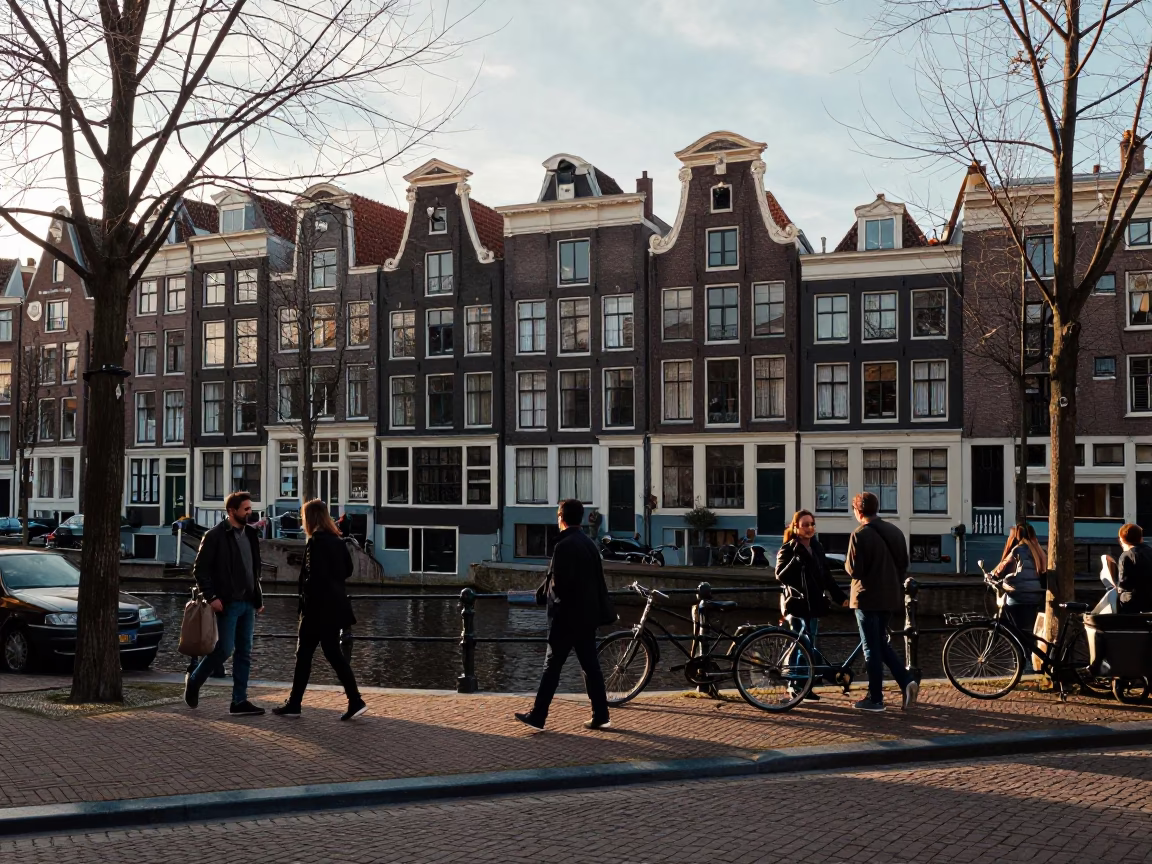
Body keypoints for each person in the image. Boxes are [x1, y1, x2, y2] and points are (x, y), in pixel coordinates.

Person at [516, 499, 613, 732]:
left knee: (552, 668)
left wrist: (547, 600)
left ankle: (538, 715)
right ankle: (601, 714)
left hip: (566, 619)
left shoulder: (563, 545)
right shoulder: (589, 544)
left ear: (561, 518)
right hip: (587, 617)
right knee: (591, 668)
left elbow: (559, 585)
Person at [272, 500, 367, 721]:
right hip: (334, 607)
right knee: (333, 653)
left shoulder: (315, 542)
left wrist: (306, 603)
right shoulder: (337, 541)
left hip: (316, 609)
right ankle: (354, 699)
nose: (302, 521)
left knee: (304, 655)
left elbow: (311, 577)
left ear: (311, 518)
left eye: (304, 517)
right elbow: (348, 570)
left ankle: (295, 704)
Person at [184, 491, 266, 716]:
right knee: (224, 649)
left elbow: (254, 569)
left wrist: (258, 598)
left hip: (248, 602)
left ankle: (239, 700)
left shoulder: (250, 534)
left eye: (250, 508)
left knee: (245, 652)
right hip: (227, 603)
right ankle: (195, 680)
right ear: (232, 511)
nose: (250, 513)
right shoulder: (214, 536)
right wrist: (212, 598)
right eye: (245, 509)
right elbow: (200, 570)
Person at [845, 491, 918, 713]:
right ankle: (907, 681)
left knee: (870, 649)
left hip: (866, 598)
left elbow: (853, 570)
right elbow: (904, 564)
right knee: (880, 644)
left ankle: (875, 698)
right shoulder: (895, 531)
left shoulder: (860, 534)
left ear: (858, 511)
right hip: (890, 598)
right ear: (877, 508)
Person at [774, 509, 849, 700]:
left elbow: (826, 576)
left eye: (812, 524)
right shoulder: (789, 548)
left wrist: (840, 597)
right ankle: (799, 684)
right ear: (796, 527)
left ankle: (802, 685)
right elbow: (780, 575)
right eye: (805, 524)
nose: (809, 528)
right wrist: (797, 559)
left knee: (808, 643)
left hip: (814, 603)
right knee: (802, 644)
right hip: (797, 603)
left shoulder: (816, 546)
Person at [992, 523, 1047, 645]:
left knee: (1015, 632)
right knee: (1030, 632)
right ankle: (1030, 656)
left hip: (1019, 596)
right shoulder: (1040, 551)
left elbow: (1000, 570)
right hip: (1036, 597)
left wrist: (990, 576)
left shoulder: (1017, 550)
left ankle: (1020, 657)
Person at [1116, 522, 1152, 613]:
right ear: (1141, 538)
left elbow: (1124, 583)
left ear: (1122, 540)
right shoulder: (1150, 551)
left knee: (1120, 598)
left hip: (1135, 601)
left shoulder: (1126, 556)